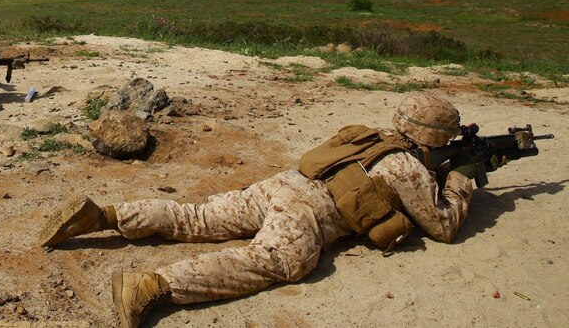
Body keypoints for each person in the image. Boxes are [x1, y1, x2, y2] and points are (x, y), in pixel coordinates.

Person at [40, 93, 500, 328]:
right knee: (276, 262)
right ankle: (153, 285)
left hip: (280, 185)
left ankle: (106, 216)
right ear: (442, 137)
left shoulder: (370, 134)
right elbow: (442, 227)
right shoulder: (409, 168)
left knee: (198, 217)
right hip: (306, 214)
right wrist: (461, 179)